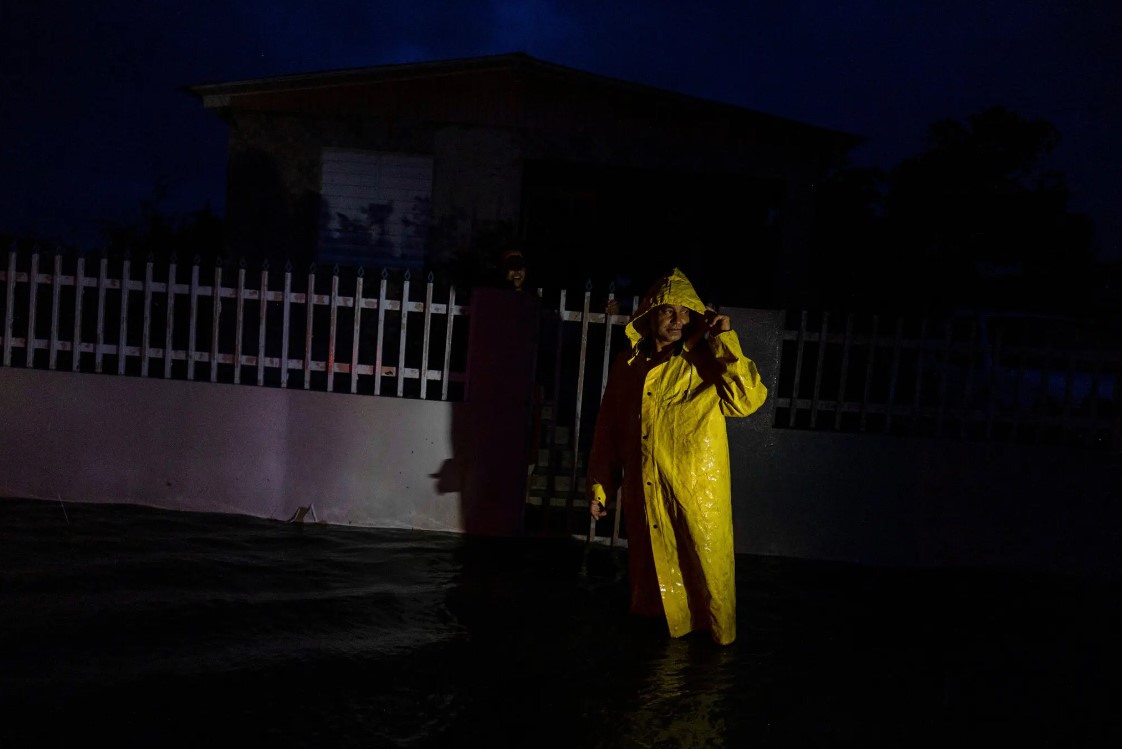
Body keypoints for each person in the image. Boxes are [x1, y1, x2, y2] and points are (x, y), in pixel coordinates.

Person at [586, 267, 768, 646]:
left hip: (698, 496)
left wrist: (724, 341)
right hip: (647, 493)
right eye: (667, 311)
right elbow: (609, 429)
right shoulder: (629, 366)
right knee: (652, 577)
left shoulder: (707, 359)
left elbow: (747, 401)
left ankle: (711, 659)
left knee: (706, 580)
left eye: (685, 312)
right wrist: (600, 485)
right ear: (649, 315)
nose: (677, 320)